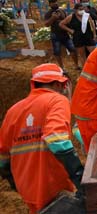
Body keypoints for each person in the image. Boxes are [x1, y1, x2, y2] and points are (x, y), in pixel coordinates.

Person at [0, 63, 84, 213]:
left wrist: (15, 183)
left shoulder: (13, 111)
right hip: (54, 186)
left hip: (29, 192)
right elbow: (56, 138)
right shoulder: (57, 101)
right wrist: (79, 176)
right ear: (59, 84)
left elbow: (3, 158)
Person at [44, 0, 79, 70]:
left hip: (64, 34)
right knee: (57, 52)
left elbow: (67, 21)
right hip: (55, 35)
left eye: (56, 2)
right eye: (53, 2)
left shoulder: (62, 11)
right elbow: (46, 24)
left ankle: (76, 65)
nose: (55, 3)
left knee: (73, 49)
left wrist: (70, 30)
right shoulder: (48, 13)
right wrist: (53, 18)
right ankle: (62, 67)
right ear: (50, 4)